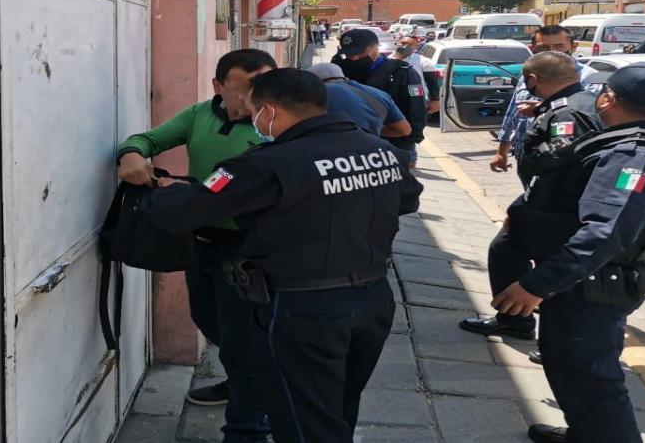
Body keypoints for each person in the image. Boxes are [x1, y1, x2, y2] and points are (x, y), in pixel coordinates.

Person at [145, 69, 423, 443]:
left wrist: (157, 190)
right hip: (372, 300)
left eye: (254, 109)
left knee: (300, 421)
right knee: (337, 410)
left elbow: (184, 212)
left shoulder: (266, 163)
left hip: (301, 310)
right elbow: (407, 199)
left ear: (270, 112)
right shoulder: (380, 150)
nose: (252, 118)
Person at [491, 64, 645, 443]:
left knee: (590, 377)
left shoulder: (634, 156)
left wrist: (537, 284)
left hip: (591, 285)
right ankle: (586, 433)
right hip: (589, 279)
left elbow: (606, 232)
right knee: (570, 366)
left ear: (609, 98)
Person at [116, 49, 276, 442]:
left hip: (251, 249)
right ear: (218, 87)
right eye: (247, 88)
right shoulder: (200, 114)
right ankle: (243, 384)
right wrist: (131, 154)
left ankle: (250, 424)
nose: (257, 97)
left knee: (244, 340)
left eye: (265, 86)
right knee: (210, 322)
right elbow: (147, 139)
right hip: (201, 241)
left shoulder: (274, 124)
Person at [460, 52, 603, 342]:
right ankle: (514, 321)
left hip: (557, 207)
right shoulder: (578, 102)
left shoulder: (566, 112)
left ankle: (553, 339)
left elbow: (557, 154)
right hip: (544, 201)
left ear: (533, 80)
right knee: (506, 250)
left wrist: (534, 143)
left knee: (547, 269)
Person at [490, 26, 600, 184]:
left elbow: (589, 116)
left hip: (560, 165)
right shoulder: (529, 75)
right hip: (528, 155)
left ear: (573, 46)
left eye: (559, 46)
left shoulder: (588, 78)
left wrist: (543, 109)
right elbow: (513, 114)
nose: (551, 52)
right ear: (532, 48)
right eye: (543, 47)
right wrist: (501, 151)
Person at [332, 29, 428, 167]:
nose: (354, 58)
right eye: (349, 53)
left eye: (360, 52)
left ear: (375, 47)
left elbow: (416, 110)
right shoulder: (340, 69)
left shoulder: (402, 73)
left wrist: (408, 142)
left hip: (393, 143)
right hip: (348, 146)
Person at [307, 63, 411, 138]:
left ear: (314, 82)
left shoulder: (310, 96)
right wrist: (370, 131)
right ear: (344, 77)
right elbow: (404, 130)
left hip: (324, 158)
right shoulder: (380, 95)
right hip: (370, 157)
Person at [393, 35, 441, 115]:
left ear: (415, 48)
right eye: (403, 43)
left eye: (410, 45)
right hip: (393, 99)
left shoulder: (424, 61)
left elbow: (431, 82)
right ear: (397, 43)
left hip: (415, 98)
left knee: (415, 124)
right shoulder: (386, 60)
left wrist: (435, 100)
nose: (405, 46)